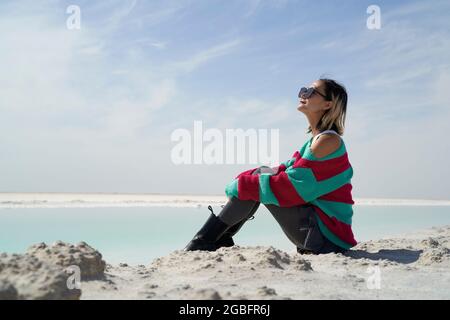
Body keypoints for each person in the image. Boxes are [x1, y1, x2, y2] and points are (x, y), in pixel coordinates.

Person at [184, 78, 357, 255]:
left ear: (328, 104)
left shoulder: (328, 141)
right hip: (317, 233)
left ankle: (204, 240)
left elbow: (294, 187)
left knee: (256, 185)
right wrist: (243, 181)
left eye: (311, 92)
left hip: (325, 240)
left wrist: (242, 186)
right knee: (260, 177)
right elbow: (281, 170)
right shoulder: (315, 141)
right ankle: (216, 237)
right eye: (303, 90)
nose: (303, 94)